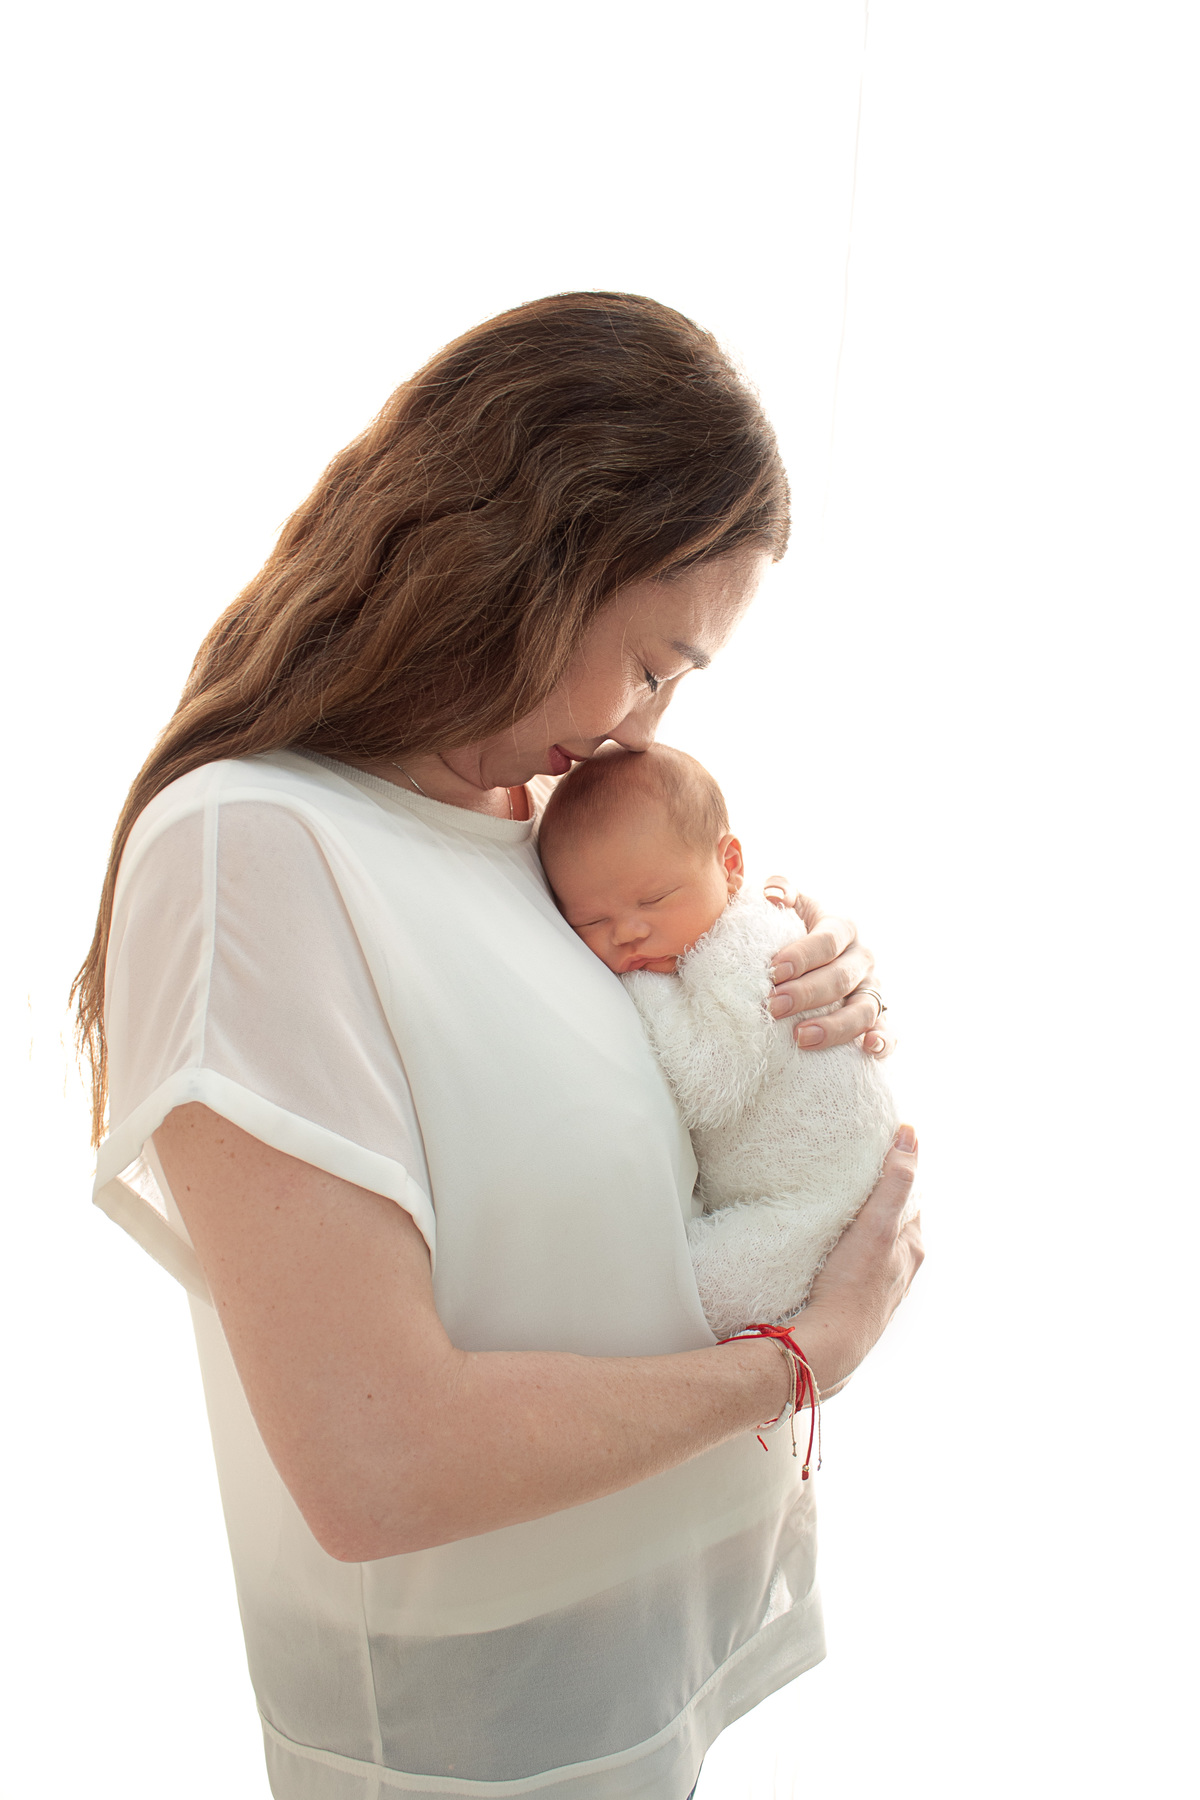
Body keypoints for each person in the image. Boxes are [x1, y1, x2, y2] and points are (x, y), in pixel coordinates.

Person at [73, 291, 923, 1800]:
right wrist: (803, 1361)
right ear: (529, 557)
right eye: (652, 663)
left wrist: (789, 984)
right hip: (475, 1737)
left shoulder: (524, 824)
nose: (643, 727)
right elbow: (379, 1462)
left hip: (652, 1658)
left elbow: (615, 1143)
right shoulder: (251, 851)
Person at [537, 742, 899, 1340]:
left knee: (684, 1302)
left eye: (653, 900)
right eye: (591, 922)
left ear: (730, 865)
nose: (627, 932)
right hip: (793, 1194)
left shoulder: (749, 950)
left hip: (817, 1205)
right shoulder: (699, 931)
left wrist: (640, 988)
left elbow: (711, 1083)